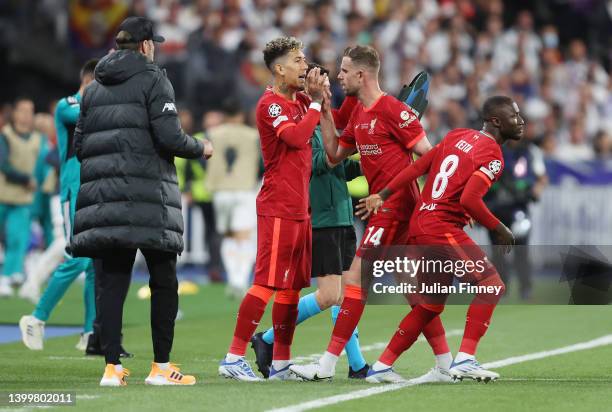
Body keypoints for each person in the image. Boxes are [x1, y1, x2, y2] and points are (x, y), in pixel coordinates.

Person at [290, 45, 452, 382]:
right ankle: (447, 365)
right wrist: (321, 107)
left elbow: (430, 156)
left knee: (352, 281)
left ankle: (326, 366)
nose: (339, 76)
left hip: (395, 208)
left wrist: (394, 193)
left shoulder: (394, 109)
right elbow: (334, 153)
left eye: (345, 71)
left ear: (362, 75)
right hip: (390, 210)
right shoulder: (361, 114)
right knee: (414, 291)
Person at [71, 17, 212, 387]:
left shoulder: (93, 89)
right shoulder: (154, 79)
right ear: (146, 45)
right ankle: (161, 367)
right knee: (163, 279)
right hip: (149, 197)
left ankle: (112, 368)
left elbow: (80, 147)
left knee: (112, 282)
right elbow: (170, 137)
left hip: (106, 200)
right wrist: (201, 147)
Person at [358, 95, 522, 382]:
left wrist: (382, 194)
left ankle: (383, 366)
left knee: (430, 304)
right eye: (515, 116)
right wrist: (499, 228)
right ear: (496, 121)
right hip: (441, 227)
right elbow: (471, 199)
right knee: (491, 285)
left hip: (420, 223)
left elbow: (417, 168)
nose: (521, 121)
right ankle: (466, 359)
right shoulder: (493, 154)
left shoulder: (456, 135)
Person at [217, 36, 328, 381]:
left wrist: (320, 99)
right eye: (297, 60)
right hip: (278, 205)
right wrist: (314, 105)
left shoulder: (302, 101)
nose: (304, 65)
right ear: (279, 69)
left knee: (293, 288)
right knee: (266, 283)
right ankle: (233, 358)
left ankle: (280, 363)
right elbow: (295, 138)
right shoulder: (271, 104)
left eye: (304, 58)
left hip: (300, 207)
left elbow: (325, 124)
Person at [250, 63, 369, 379]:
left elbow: (340, 169)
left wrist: (368, 160)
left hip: (341, 215)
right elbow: (320, 162)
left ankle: (357, 365)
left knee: (345, 295)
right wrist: (353, 147)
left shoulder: (327, 122)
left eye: (329, 84)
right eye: (323, 84)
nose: (329, 90)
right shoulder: (306, 121)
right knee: (331, 295)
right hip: (321, 219)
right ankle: (267, 338)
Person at [19, 59, 99, 352]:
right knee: (78, 257)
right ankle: (36, 318)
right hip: (74, 188)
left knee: (94, 263)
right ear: (91, 82)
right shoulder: (68, 106)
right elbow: (96, 121)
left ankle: (90, 333)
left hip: (94, 188)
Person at [205, 97, 260, 298]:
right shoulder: (253, 135)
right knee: (245, 236)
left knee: (227, 235)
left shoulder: (212, 134)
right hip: (244, 188)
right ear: (240, 114)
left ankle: (233, 278)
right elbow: (262, 163)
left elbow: (203, 159)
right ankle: (240, 280)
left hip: (220, 189)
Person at [485, 135, 547, 300]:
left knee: (521, 249)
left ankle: (525, 288)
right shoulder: (493, 149)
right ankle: (501, 287)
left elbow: (542, 178)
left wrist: (536, 190)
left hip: (519, 207)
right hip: (496, 207)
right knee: (498, 250)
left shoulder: (531, 152)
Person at [0, 97, 49, 297]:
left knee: (17, 238)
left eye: (31, 111)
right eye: (24, 110)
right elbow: (2, 164)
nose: (28, 115)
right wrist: (24, 178)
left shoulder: (39, 139)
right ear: (16, 113)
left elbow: (42, 165)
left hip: (24, 198)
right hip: (3, 194)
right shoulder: (5, 135)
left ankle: (7, 276)